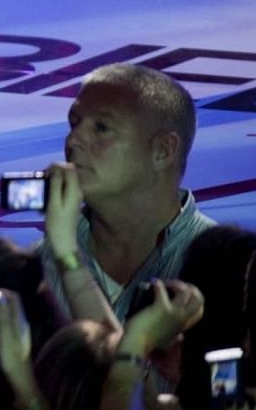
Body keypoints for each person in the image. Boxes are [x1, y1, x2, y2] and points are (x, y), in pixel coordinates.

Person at [41, 64, 215, 327]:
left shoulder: (228, 265)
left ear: (163, 150)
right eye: (74, 123)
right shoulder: (38, 265)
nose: (73, 140)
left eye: (101, 127)